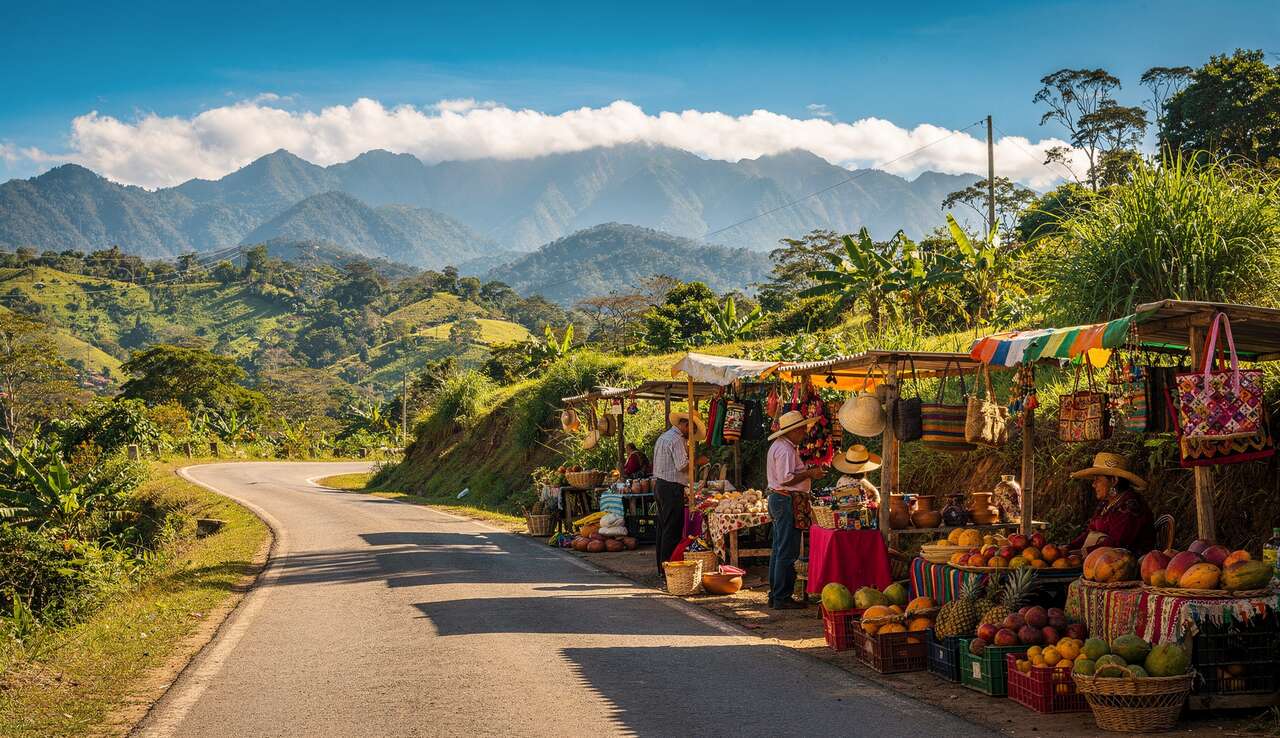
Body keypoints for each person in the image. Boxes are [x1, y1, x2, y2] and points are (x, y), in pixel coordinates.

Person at [766, 409, 824, 610]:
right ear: (792, 431)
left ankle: (776, 594)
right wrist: (810, 474)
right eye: (801, 429)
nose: (804, 433)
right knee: (787, 551)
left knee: (779, 549)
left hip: (780, 499)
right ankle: (781, 596)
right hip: (785, 500)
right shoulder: (785, 450)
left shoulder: (780, 446)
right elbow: (786, 478)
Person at [1067, 452, 1155, 554]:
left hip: (1125, 560)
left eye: (1098, 480)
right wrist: (1069, 547)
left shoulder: (1130, 506)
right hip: (1100, 556)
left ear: (1114, 481)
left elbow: (1117, 543)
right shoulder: (1105, 504)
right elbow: (1089, 532)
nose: (1093, 485)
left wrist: (1082, 552)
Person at [652, 411, 706, 575]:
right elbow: (682, 465)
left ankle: (662, 567)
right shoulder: (676, 440)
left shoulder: (664, 437)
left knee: (663, 527)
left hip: (661, 485)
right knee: (672, 529)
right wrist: (698, 461)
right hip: (671, 487)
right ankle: (669, 568)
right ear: (686, 425)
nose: (692, 433)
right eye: (692, 429)